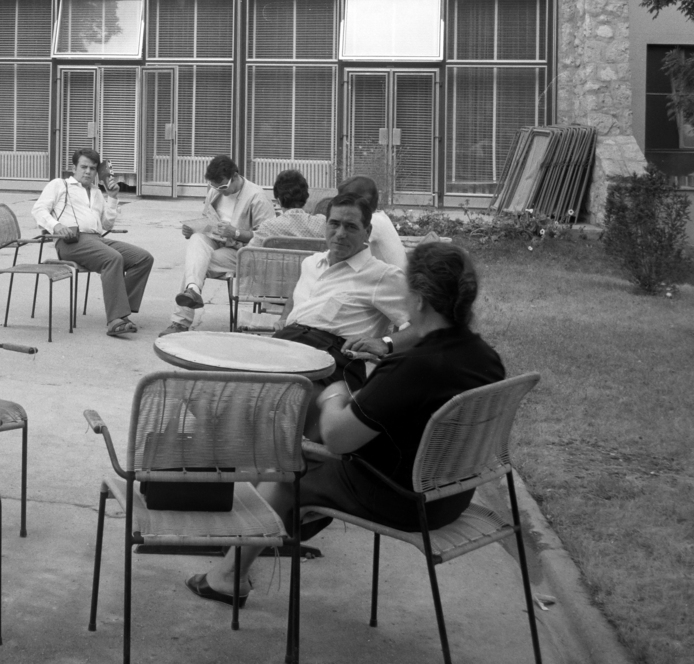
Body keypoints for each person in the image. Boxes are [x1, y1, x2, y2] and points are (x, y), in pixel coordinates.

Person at [185, 242, 507, 608]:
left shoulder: (414, 368)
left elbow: (338, 438)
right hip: (450, 496)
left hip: (401, 499)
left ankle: (228, 576)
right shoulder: (485, 358)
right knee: (304, 459)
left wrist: (333, 395)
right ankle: (254, 543)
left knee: (288, 472)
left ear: (419, 300)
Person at [271, 192, 409, 387]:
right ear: (325, 225)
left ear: (367, 232)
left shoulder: (382, 275)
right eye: (334, 224)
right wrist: (285, 318)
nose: (341, 233)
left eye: (351, 226)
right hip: (287, 345)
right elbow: (297, 296)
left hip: (333, 361)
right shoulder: (311, 263)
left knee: (273, 392)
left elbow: (426, 327)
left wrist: (385, 343)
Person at [33, 148, 154, 339]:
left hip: (97, 240)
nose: (88, 172)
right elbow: (39, 210)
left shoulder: (97, 192)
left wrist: (112, 197)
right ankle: (115, 319)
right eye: (84, 167)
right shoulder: (59, 185)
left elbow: (107, 225)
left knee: (143, 258)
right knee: (113, 258)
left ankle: (122, 312)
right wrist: (56, 226)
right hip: (71, 241)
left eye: (92, 168)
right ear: (74, 168)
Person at [162, 154, 276, 335]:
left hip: (242, 252)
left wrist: (236, 233)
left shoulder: (257, 197)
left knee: (195, 264)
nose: (220, 191)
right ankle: (192, 290)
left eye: (223, 186)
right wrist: (194, 229)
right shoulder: (214, 192)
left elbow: (268, 238)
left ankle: (180, 321)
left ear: (235, 176)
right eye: (214, 187)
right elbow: (207, 221)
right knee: (196, 241)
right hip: (216, 242)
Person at [314, 175, 406, 269]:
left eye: (346, 201)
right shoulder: (380, 217)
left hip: (387, 276)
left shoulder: (373, 221)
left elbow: (338, 249)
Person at [249, 169, 326, 246]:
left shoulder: (267, 227)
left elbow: (248, 252)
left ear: (278, 200)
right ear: (306, 197)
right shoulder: (322, 224)